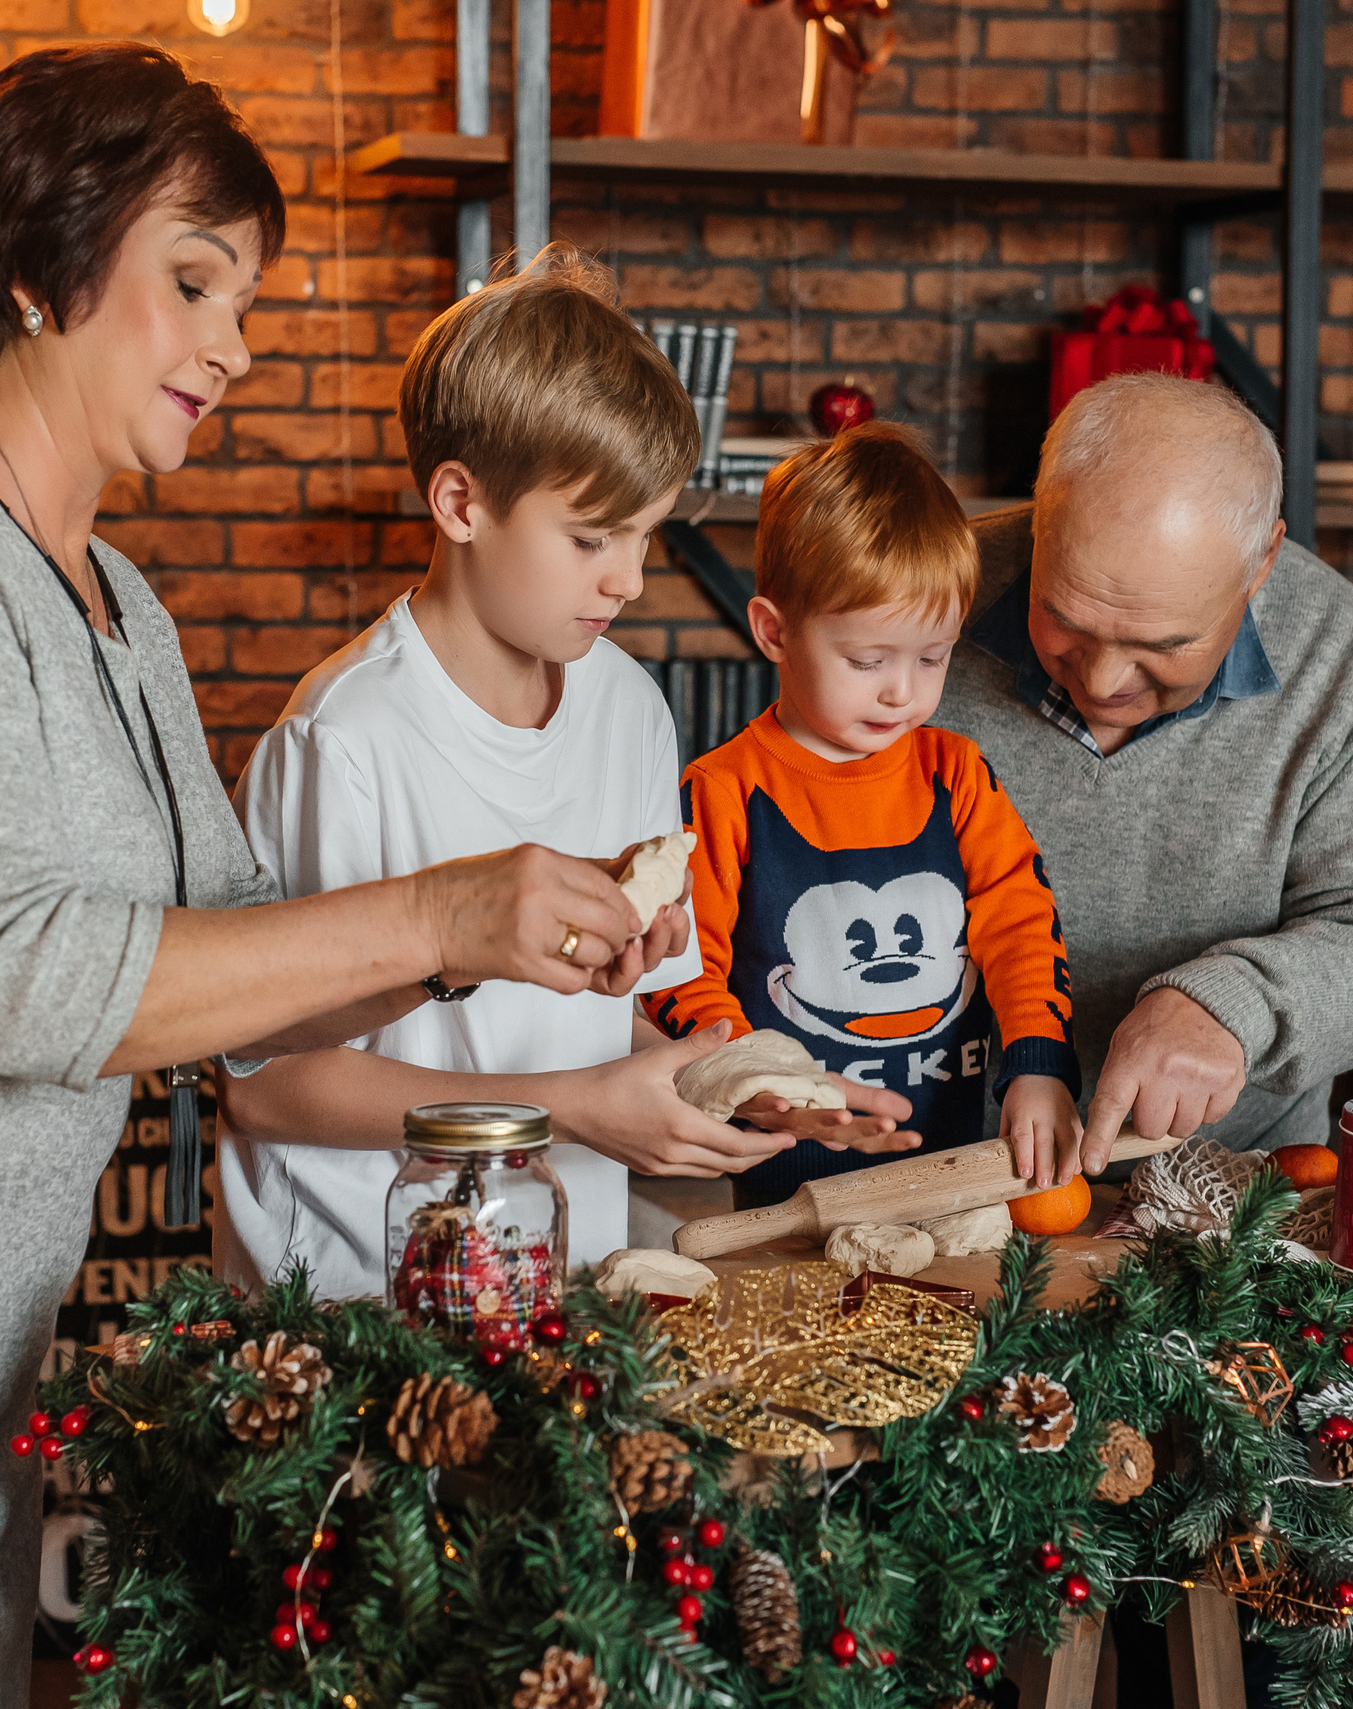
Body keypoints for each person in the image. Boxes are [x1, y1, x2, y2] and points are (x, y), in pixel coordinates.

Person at [0, 48, 678, 1709]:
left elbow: (242, 968)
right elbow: (28, 980)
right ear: (34, 272)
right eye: (193, 280)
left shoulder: (116, 601)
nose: (236, 343)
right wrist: (440, 909)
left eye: (249, 298)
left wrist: (518, 935)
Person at [217, 252, 907, 1297]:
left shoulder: (627, 704)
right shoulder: (344, 737)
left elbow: (608, 1024)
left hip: (563, 1285)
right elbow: (270, 1088)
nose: (628, 579)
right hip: (362, 1305)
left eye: (641, 536)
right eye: (591, 536)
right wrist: (575, 1106)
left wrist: (738, 1084)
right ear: (459, 502)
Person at [931, 371, 1353, 1190]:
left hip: (1225, 1194)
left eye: (1162, 644)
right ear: (1040, 517)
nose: (1101, 681)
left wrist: (1232, 1004)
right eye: (1064, 618)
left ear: (1260, 564)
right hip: (928, 1179)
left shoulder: (1336, 648)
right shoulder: (925, 594)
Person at [649, 422, 1077, 1209]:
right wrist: (752, 1077)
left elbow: (1019, 922)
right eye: (868, 660)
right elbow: (677, 972)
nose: (901, 692)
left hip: (947, 1177)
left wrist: (1040, 1060)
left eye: (932, 656)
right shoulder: (722, 791)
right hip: (780, 1190)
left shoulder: (956, 774)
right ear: (774, 630)